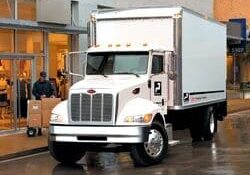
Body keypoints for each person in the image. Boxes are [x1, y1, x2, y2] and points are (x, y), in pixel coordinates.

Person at [32, 71, 55, 136]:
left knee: (47, 115)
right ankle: (39, 130)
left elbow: (52, 90)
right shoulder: (36, 84)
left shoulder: (48, 83)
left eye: (44, 77)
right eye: (43, 77)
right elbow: (33, 92)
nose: (44, 78)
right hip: (39, 102)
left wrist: (52, 95)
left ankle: (49, 129)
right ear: (40, 76)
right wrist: (39, 96)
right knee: (39, 116)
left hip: (47, 101)